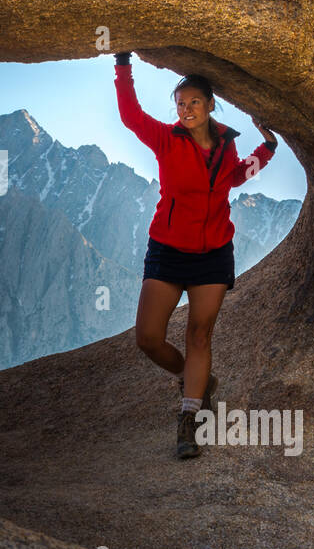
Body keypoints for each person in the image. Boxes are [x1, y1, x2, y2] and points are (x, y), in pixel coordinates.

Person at [113, 51, 278, 459]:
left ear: (209, 106)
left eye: (194, 103)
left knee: (199, 334)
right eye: (180, 104)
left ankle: (190, 421)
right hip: (167, 251)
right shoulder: (166, 139)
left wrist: (268, 147)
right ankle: (194, 380)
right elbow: (131, 116)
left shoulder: (225, 146)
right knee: (148, 338)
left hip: (213, 255)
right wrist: (122, 67)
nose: (186, 110)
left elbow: (239, 175)